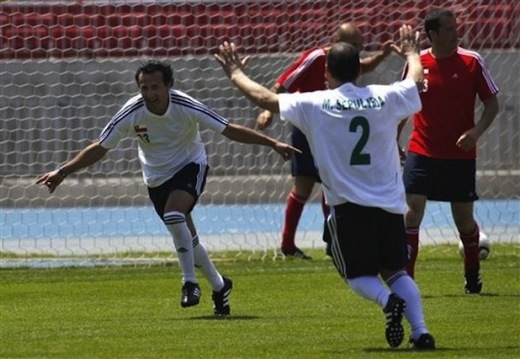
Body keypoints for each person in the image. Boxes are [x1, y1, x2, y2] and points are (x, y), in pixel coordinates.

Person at [215, 25, 435, 349]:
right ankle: (421, 332)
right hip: (389, 206)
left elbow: (265, 98)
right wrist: (414, 52)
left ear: (327, 72)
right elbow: (415, 81)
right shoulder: (385, 96)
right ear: (360, 69)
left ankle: (388, 304)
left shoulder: (315, 104)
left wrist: (234, 72)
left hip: (349, 208)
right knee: (396, 271)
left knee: (357, 275)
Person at [36, 60, 299, 316]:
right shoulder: (132, 111)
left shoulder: (185, 105)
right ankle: (220, 285)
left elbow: (229, 130)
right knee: (186, 235)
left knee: (175, 215)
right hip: (156, 178)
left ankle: (189, 283)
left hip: (190, 166)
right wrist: (63, 172)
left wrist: (272, 144)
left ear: (168, 86)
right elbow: (101, 147)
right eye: (144, 88)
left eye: (155, 87)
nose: (150, 93)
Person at [256, 22, 396, 259]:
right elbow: (284, 81)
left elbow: (363, 66)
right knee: (304, 186)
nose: (357, 51)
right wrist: (269, 110)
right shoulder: (317, 57)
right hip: (309, 127)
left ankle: (334, 241)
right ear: (336, 41)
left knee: (334, 184)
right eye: (353, 45)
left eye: (360, 46)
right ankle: (287, 245)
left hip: (333, 127)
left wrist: (382, 54)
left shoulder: (347, 62)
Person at [398, 8, 499, 294]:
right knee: (411, 212)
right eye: (450, 29)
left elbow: (493, 104)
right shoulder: (418, 64)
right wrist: (392, 140)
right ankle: (407, 283)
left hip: (459, 156)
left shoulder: (471, 61)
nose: (457, 32)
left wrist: (476, 132)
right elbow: (402, 103)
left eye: (456, 27)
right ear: (433, 34)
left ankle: (472, 275)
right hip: (422, 151)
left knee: (464, 222)